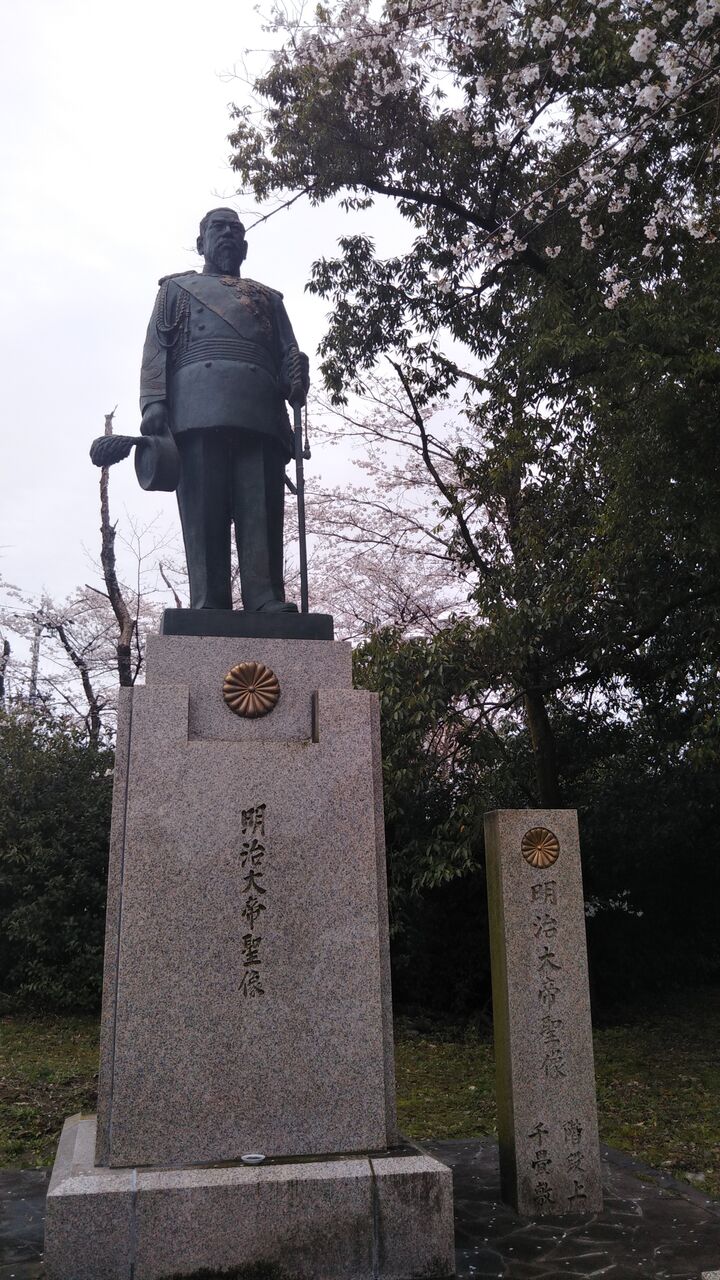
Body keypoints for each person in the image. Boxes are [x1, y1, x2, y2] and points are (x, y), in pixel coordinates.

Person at [139, 207, 309, 612]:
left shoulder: (268, 298)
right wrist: (154, 402)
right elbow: (156, 350)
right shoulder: (176, 290)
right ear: (201, 243)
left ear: (245, 247)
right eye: (219, 228)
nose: (228, 234)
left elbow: (286, 357)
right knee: (204, 508)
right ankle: (208, 599)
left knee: (260, 507)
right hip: (197, 406)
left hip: (259, 409)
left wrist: (297, 373)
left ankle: (265, 596)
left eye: (236, 229)